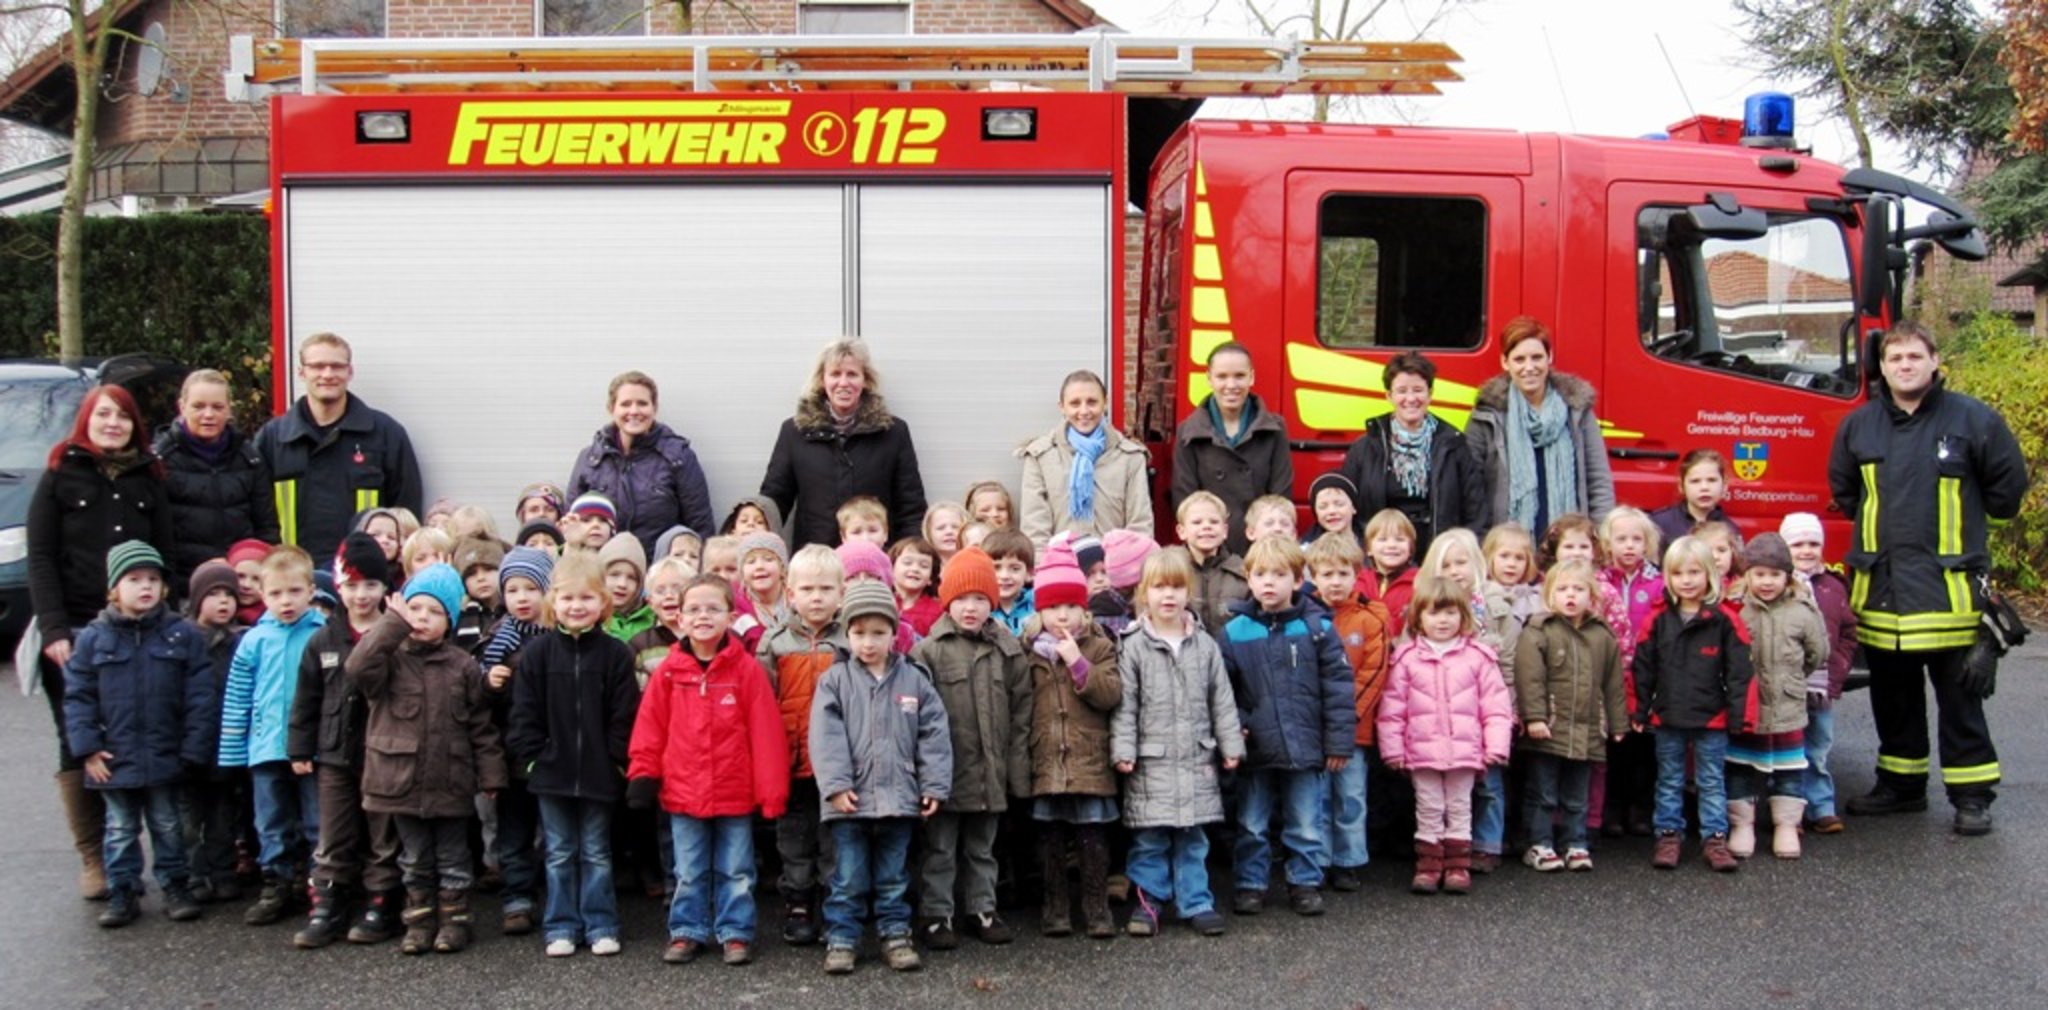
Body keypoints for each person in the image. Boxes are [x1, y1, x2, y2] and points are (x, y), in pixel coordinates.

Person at [1827, 322, 2028, 837]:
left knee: (1961, 699)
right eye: (1895, 358)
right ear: (1883, 367)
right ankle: (1901, 785)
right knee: (1892, 697)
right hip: (1883, 589)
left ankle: (1972, 797)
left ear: (1935, 361)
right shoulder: (1859, 426)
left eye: (1914, 356)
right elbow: (1846, 493)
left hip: (1949, 591)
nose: (1905, 366)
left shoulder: (1974, 420)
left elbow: (2007, 491)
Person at [27, 384, 173, 901]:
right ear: (86, 419)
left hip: (140, 631)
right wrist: (53, 629)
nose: (113, 424)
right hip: (74, 629)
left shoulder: (149, 478)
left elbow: (166, 552)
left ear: (136, 425)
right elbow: (40, 557)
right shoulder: (59, 476)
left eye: (123, 416)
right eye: (103, 414)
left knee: (140, 732)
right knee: (77, 739)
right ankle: (94, 856)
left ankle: (142, 855)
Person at [347, 563, 507, 955]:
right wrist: (391, 624)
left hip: (450, 780)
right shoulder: (389, 659)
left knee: (453, 857)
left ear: (449, 620)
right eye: (415, 608)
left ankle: (454, 921)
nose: (422, 618)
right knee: (414, 858)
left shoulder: (462, 665)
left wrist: (491, 775)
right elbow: (358, 667)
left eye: (434, 612)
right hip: (400, 781)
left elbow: (481, 726)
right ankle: (418, 922)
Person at [627, 574, 786, 967]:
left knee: (737, 869)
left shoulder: (746, 670)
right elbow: (650, 728)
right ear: (679, 618)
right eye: (694, 609)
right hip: (682, 792)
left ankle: (736, 931)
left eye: (713, 609)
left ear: (731, 617)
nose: (703, 616)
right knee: (688, 869)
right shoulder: (669, 671)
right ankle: (687, 929)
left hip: (735, 792)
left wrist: (771, 792)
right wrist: (643, 773)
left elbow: (766, 733)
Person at [62, 541, 214, 927]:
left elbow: (200, 696)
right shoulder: (93, 639)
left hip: (166, 753)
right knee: (120, 828)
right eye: (134, 579)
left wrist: (192, 748)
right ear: (114, 589)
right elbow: (78, 697)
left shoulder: (181, 635)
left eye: (153, 579)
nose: (145, 586)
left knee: (168, 824)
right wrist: (88, 749)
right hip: (114, 759)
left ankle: (176, 884)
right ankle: (123, 889)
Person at [809, 581, 953, 975]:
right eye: (859, 633)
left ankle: (895, 934)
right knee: (847, 877)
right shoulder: (835, 681)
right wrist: (836, 786)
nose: (868, 642)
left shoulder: (914, 679)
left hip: (899, 798)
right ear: (847, 634)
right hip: (849, 802)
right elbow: (825, 737)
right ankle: (842, 937)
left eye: (878, 633)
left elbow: (933, 735)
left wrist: (933, 785)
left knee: (893, 877)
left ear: (894, 633)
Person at [509, 553, 641, 959]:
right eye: (567, 598)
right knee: (559, 851)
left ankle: (601, 923)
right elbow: (524, 714)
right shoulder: (537, 654)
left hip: (601, 772)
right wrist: (534, 759)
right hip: (552, 773)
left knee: (597, 851)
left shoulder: (616, 654)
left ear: (603, 602)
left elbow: (625, 714)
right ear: (554, 602)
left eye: (586, 598)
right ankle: (561, 924)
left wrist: (616, 760)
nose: (576, 606)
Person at [1112, 549, 1244, 939]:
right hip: (1151, 762)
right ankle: (1149, 901)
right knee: (1150, 838)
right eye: (1159, 587)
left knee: (1192, 837)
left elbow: (1222, 699)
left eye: (1176, 587)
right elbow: (1125, 705)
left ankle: (1196, 901)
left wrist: (1231, 745)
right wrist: (1123, 749)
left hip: (1196, 758)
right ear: (1144, 593)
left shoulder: (1205, 645)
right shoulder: (1133, 645)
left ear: (1189, 592)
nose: (1168, 596)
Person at [1220, 536, 1355, 916]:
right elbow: (1221, 691)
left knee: (1305, 821)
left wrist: (1338, 743)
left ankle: (1304, 882)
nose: (1269, 582)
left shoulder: (1318, 628)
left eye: (1279, 575)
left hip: (1305, 745)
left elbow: (1339, 688)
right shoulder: (1234, 632)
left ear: (1297, 580)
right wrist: (1237, 727)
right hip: (1256, 747)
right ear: (1248, 578)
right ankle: (1251, 883)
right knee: (1251, 822)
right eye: (1261, 574)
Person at [909, 547, 1031, 949]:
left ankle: (982, 908)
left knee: (982, 848)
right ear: (947, 601)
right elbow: (916, 718)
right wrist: (924, 775)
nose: (971, 608)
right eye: (962, 599)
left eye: (980, 599)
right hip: (946, 773)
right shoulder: (928, 651)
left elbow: (1021, 712)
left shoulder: (1007, 649)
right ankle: (937, 913)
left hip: (989, 772)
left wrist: (1016, 773)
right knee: (940, 848)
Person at [285, 534, 401, 948]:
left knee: (382, 834)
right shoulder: (323, 639)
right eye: (351, 585)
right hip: (335, 753)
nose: (361, 595)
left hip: (385, 755)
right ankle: (328, 905)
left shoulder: (395, 636)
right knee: (334, 833)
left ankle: (381, 901)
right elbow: (306, 699)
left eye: (371, 584)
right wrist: (300, 747)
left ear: (385, 586)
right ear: (338, 586)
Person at [1377, 578, 1512, 896]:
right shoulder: (1407, 658)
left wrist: (1496, 746)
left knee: (1460, 806)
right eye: (1434, 613)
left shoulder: (1478, 657)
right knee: (1428, 806)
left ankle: (1457, 865)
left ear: (1463, 616)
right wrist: (1392, 750)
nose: (1443, 621)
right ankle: (1429, 864)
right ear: (1418, 618)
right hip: (1422, 752)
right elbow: (1392, 709)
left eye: (1451, 613)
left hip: (1464, 751)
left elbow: (1496, 707)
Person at [217, 546, 327, 926]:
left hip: (312, 750)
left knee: (316, 820)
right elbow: (238, 696)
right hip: (266, 748)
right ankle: (276, 882)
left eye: (294, 591)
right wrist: (233, 750)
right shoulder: (254, 640)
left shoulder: (321, 635)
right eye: (277, 593)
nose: (286, 601)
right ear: (263, 595)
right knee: (272, 821)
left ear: (310, 591)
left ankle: (318, 884)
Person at [1633, 536, 1751, 873]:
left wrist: (1739, 715)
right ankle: (1668, 836)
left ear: (1709, 574)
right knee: (1669, 780)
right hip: (1667, 716)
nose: (1686, 580)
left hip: (1712, 717)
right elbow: (1643, 668)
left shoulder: (1725, 619)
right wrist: (1639, 709)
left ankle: (1715, 839)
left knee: (1711, 781)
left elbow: (1740, 672)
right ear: (1667, 577)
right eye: (1678, 573)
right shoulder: (1658, 619)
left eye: (1694, 572)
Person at [253, 332, 423, 566]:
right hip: (293, 576)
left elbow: (406, 514)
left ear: (349, 372)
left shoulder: (386, 435)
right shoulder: (272, 439)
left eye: (337, 366)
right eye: (317, 366)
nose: (327, 374)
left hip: (364, 577)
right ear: (301, 372)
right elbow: (257, 516)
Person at [1019, 558, 1122, 939]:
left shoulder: (1100, 646)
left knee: (1092, 836)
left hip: (1088, 757)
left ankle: (1096, 907)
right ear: (1039, 611)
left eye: (1071, 606)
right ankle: (1055, 907)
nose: (1062, 615)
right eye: (1052, 607)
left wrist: (1078, 663)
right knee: (1050, 837)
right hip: (1046, 757)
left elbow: (1111, 694)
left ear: (1085, 608)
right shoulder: (1028, 651)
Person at [754, 545, 847, 947]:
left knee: (834, 837)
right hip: (790, 759)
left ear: (841, 593)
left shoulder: (848, 640)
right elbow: (762, 704)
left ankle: (834, 903)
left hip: (837, 761)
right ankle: (798, 902)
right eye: (807, 589)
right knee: (793, 836)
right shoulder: (774, 643)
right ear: (790, 593)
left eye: (826, 589)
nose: (816, 598)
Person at [1512, 560, 1627, 874]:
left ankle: (1575, 842)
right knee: (1543, 792)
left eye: (1578, 589)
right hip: (1549, 727)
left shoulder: (1602, 636)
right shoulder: (1539, 631)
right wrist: (1534, 717)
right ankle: (1539, 842)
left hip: (1587, 731)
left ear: (1592, 595)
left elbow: (1613, 683)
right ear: (1549, 594)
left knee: (1578, 795)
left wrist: (1617, 723)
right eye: (1562, 589)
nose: (1571, 595)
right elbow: (1529, 678)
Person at [760, 338, 929, 550]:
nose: (843, 383)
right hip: (815, 560)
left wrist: (906, 555)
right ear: (822, 380)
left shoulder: (894, 432)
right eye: (835, 374)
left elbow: (911, 507)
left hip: (876, 559)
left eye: (852, 374)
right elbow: (774, 502)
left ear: (865, 380)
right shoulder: (794, 432)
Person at [1728, 533, 1828, 861]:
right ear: (1747, 575)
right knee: (1740, 767)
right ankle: (1742, 825)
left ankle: (1786, 825)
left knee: (1789, 769)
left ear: (1787, 576)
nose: (1767, 582)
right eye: (1759, 574)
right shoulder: (1736, 609)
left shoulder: (1803, 610)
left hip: (1787, 706)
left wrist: (1792, 679)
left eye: (1775, 574)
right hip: (1747, 708)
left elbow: (1817, 652)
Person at [1465, 316, 1615, 532]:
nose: (1529, 367)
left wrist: (1600, 536)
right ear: (1505, 362)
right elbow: (1472, 489)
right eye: (1519, 359)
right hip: (1509, 544)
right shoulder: (1486, 414)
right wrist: (1483, 539)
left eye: (1537, 357)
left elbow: (1598, 481)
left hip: (1568, 540)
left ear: (1549, 357)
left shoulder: (1576, 410)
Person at [1302, 533, 1391, 894]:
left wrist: (1345, 717)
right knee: (1318, 798)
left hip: (1354, 729)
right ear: (1313, 576)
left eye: (1343, 574)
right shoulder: (1304, 617)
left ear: (1357, 575)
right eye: (1327, 574)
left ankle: (1349, 860)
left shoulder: (1370, 619)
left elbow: (1374, 673)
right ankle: (1320, 860)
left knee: (1351, 797)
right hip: (1314, 728)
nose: (1335, 582)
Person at [1336, 351, 1488, 556]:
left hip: (1439, 554)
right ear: (1389, 396)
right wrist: (1364, 552)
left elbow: (1476, 510)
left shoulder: (1453, 445)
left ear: (1430, 394)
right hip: (1382, 555)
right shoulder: (1365, 447)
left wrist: (1460, 552)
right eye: (1401, 391)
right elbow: (1347, 509)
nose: (1410, 399)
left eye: (1418, 390)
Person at [153, 369, 279, 594]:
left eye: (217, 407)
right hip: (183, 587)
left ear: (229, 409)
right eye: (199, 406)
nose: (208, 415)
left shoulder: (250, 459)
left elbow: (266, 528)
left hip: (240, 588)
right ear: (182, 407)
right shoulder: (161, 460)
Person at [566, 371, 715, 550]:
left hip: (661, 566)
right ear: (611, 409)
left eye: (642, 403)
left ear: (654, 408)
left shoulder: (679, 457)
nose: (634, 411)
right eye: (625, 404)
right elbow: (571, 523)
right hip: (602, 565)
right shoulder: (590, 459)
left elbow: (700, 525)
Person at [1171, 342, 1293, 556]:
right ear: (1209, 378)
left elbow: (1281, 498)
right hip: (1210, 552)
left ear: (1251, 377)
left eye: (1239, 376)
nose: (1231, 385)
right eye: (1222, 376)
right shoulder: (1188, 432)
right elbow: (1185, 502)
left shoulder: (1275, 429)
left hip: (1262, 553)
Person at [1018, 369, 1155, 551]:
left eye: (1092, 402)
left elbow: (1140, 525)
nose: (1084, 411)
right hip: (1059, 564)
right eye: (1075, 403)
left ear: (1105, 403)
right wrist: (1047, 566)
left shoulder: (1130, 457)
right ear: (1062, 407)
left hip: (1113, 565)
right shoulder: (1041, 457)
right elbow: (1034, 529)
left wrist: (1126, 565)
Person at [1780, 512, 1857, 835]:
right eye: (1798, 544)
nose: (1806, 551)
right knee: (1787, 750)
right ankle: (1789, 811)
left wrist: (1839, 666)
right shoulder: (1778, 586)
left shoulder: (1833, 587)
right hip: (1786, 686)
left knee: (1818, 748)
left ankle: (1822, 807)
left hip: (1821, 686)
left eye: (1813, 544)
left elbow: (1849, 631)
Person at [1175, 491, 1247, 637]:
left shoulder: (1243, 573)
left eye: (1214, 522)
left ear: (1225, 530)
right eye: (1197, 522)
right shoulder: (1171, 572)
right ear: (1181, 531)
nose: (1206, 526)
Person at [1649, 449, 1740, 549]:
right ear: (1681, 486)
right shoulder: (1660, 523)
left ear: (1724, 485)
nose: (1704, 487)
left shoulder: (1730, 529)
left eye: (1712, 480)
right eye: (1695, 481)